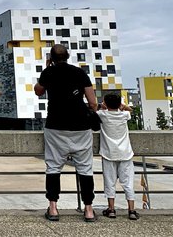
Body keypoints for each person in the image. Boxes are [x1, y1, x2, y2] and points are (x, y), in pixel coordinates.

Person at [34, 44, 98, 222]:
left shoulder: (49, 72)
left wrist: (47, 69)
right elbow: (92, 102)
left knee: (53, 166)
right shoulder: (79, 73)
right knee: (85, 168)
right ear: (68, 56)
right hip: (81, 126)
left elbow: (38, 91)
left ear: (51, 58)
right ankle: (89, 209)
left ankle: (53, 208)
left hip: (56, 125)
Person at [97, 93, 139, 220]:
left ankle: (111, 209)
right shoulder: (124, 115)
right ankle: (131, 210)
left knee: (109, 182)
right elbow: (130, 110)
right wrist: (122, 106)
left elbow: (94, 108)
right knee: (128, 182)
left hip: (108, 153)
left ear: (105, 103)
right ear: (119, 104)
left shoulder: (102, 115)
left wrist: (102, 106)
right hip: (125, 153)